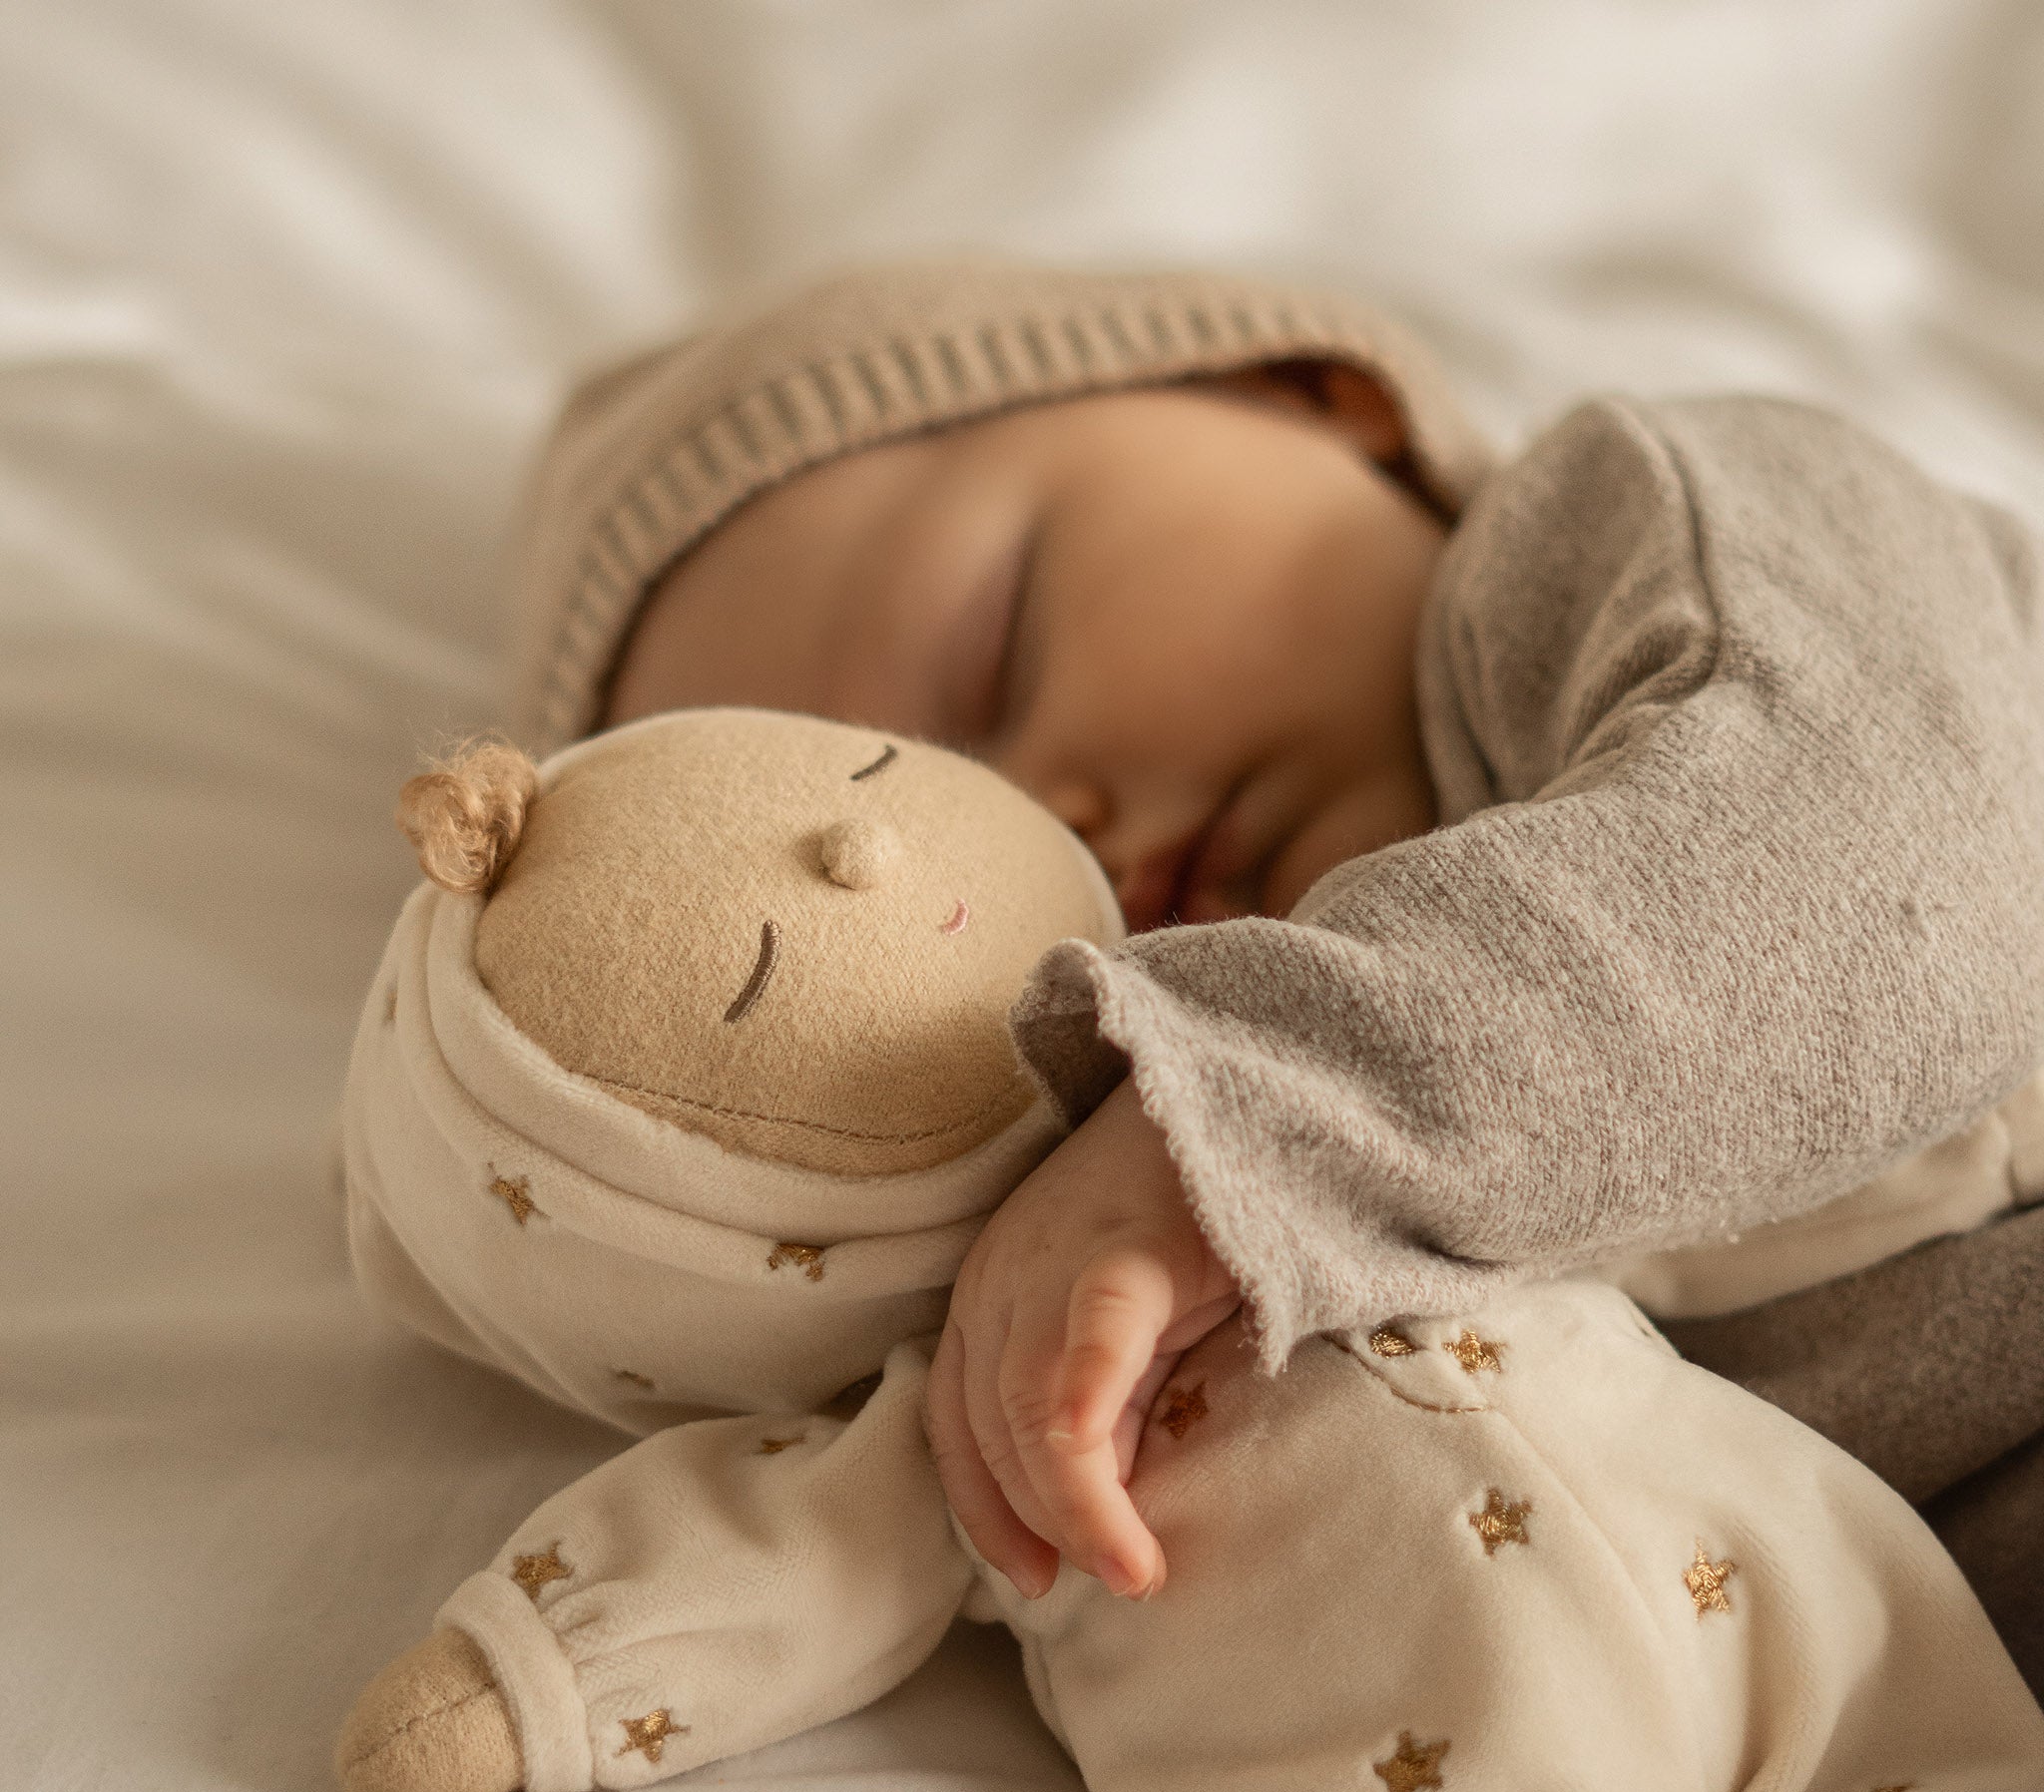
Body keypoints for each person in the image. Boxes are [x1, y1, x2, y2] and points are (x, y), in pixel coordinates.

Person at [508, 258, 2044, 1688]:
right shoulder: (1230, 1230)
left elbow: (1896, 876)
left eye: (997, 649)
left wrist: (1263, 1115)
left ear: (1309, 396)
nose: (1048, 814)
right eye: (936, 832)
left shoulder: (1634, 524)